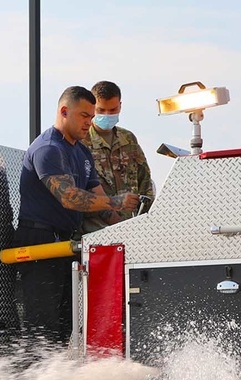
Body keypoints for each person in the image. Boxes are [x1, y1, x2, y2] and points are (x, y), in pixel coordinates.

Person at [14, 85, 139, 343]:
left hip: (66, 245)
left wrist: (132, 233)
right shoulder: (48, 148)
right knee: (43, 332)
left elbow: (102, 203)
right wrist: (117, 201)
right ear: (64, 111)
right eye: (85, 116)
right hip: (39, 245)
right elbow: (70, 197)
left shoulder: (81, 151)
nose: (89, 123)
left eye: (91, 117)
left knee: (64, 329)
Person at [81, 80, 156, 234]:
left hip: (132, 228)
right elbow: (80, 192)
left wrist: (145, 219)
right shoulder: (81, 141)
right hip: (94, 231)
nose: (107, 115)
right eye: (101, 110)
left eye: (113, 109)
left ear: (120, 106)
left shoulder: (128, 139)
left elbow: (145, 181)